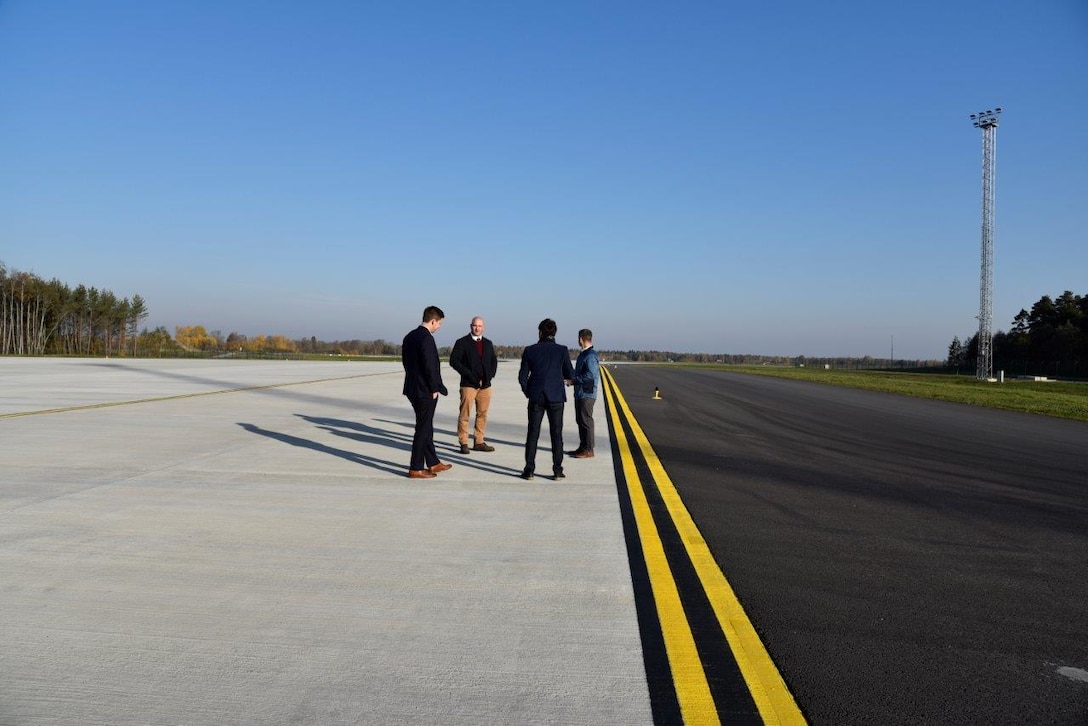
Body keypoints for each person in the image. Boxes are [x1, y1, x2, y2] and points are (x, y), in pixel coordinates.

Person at [517, 318, 574, 481]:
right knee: (556, 434)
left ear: (540, 332)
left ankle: (529, 469)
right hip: (556, 396)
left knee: (533, 433)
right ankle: (557, 470)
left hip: (536, 396)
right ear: (554, 333)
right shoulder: (562, 350)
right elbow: (570, 374)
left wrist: (529, 392)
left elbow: (522, 377)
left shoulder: (530, 350)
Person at [401, 305, 451, 479]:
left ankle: (433, 462)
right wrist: (434, 388)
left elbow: (407, 363)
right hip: (425, 391)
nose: (439, 327)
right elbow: (430, 367)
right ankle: (415, 467)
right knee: (422, 428)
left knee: (426, 424)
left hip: (412, 388)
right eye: (439, 323)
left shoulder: (409, 337)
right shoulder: (426, 338)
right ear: (433, 320)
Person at [448, 316, 499, 455]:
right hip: (469, 385)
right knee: (465, 414)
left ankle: (479, 441)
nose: (477, 328)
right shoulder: (462, 342)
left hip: (485, 386)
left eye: (480, 326)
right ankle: (464, 442)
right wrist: (469, 374)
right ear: (471, 326)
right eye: (475, 325)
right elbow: (454, 361)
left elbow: (494, 361)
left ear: (484, 327)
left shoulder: (488, 343)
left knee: (482, 414)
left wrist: (490, 375)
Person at [568, 328, 601, 458]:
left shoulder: (590, 355)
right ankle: (583, 446)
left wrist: (575, 380)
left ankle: (588, 449)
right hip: (581, 393)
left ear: (581, 339)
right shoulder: (584, 354)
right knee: (580, 420)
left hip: (587, 393)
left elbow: (591, 374)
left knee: (586, 421)